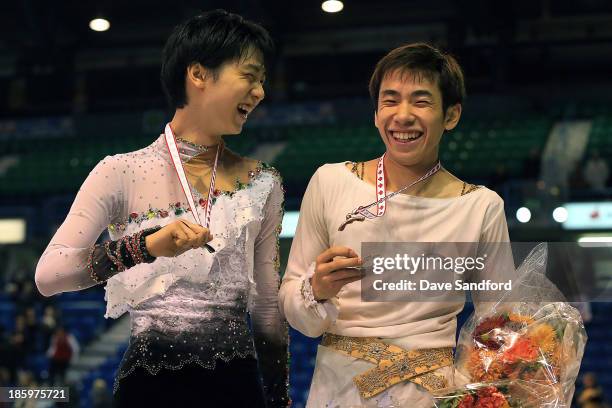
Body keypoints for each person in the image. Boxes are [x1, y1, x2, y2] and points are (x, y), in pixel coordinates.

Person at [35, 10, 288, 407]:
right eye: (250, 75)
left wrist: (278, 397)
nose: (259, 92)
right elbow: (49, 275)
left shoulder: (263, 182)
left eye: (262, 81)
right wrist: (146, 246)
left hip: (239, 390)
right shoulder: (120, 171)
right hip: (150, 389)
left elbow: (268, 306)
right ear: (199, 74)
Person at [279, 43, 512, 407]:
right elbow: (297, 314)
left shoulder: (481, 207)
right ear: (375, 114)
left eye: (420, 101)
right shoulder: (330, 182)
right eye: (390, 100)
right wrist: (316, 288)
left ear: (451, 115)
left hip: (431, 395)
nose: (402, 116)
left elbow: (498, 326)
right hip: (339, 391)